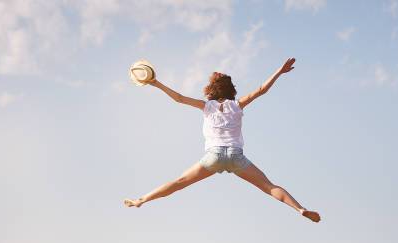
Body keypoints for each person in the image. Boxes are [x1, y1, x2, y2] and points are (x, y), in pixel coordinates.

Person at [124, 58, 321, 223]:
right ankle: (300, 209)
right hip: (236, 157)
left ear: (211, 89)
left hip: (213, 156)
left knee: (179, 182)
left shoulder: (206, 106)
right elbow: (261, 89)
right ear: (231, 90)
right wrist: (279, 71)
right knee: (269, 187)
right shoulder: (237, 104)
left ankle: (142, 199)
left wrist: (155, 83)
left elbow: (179, 98)